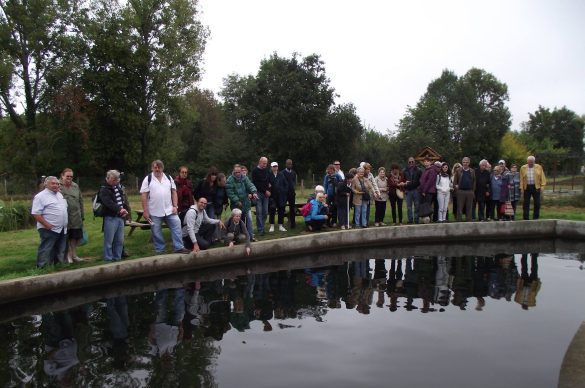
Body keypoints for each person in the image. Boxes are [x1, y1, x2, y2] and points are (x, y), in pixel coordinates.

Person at [140, 160, 190, 254]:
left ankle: (178, 247)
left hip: (169, 210)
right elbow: (143, 195)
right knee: (156, 231)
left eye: (159, 167)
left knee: (177, 225)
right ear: (152, 168)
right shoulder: (148, 179)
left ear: (162, 168)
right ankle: (160, 250)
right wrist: (145, 211)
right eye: (155, 167)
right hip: (154, 211)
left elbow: (174, 191)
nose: (157, 169)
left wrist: (175, 206)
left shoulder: (168, 177)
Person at [31, 176, 68, 267]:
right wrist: (46, 225)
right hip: (48, 228)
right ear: (46, 184)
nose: (56, 185)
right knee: (46, 248)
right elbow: (36, 213)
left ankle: (58, 265)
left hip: (62, 228)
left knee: (60, 248)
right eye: (53, 183)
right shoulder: (40, 196)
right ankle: (42, 266)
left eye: (57, 183)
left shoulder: (59, 194)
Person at [99, 170, 130, 261]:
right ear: (107, 178)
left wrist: (125, 211)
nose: (115, 181)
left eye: (117, 179)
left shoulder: (118, 187)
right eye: (113, 179)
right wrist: (120, 209)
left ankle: (117, 258)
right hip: (110, 218)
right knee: (109, 241)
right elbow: (109, 203)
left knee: (120, 240)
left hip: (120, 217)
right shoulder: (104, 189)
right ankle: (108, 259)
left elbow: (122, 201)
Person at [226, 164, 258, 240]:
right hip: (236, 206)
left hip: (246, 204)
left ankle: (250, 237)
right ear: (233, 171)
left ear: (241, 171)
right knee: (239, 221)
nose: (238, 174)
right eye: (236, 172)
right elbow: (230, 193)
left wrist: (254, 192)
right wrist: (237, 201)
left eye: (239, 172)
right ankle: (236, 236)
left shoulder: (245, 178)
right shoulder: (230, 180)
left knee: (249, 220)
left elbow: (250, 185)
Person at [59, 168, 84, 263]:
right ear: (62, 176)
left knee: (74, 237)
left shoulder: (75, 186)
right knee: (66, 237)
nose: (69, 178)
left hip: (76, 217)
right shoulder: (58, 186)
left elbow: (80, 200)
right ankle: (68, 256)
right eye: (67, 176)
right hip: (64, 217)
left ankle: (74, 255)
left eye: (71, 176)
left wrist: (82, 215)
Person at [520, 155, 546, 220]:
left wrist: (542, 187)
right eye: (529, 162)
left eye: (532, 162)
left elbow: (543, 178)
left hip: (536, 187)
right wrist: (521, 188)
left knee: (537, 203)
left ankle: (535, 218)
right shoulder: (523, 168)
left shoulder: (539, 167)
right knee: (526, 203)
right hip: (527, 187)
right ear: (527, 161)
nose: (530, 163)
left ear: (534, 161)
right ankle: (526, 218)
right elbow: (521, 179)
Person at [251, 157, 271, 236]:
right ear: (260, 162)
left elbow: (269, 182)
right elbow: (256, 184)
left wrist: (269, 190)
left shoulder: (267, 171)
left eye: (266, 163)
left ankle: (262, 227)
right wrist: (265, 190)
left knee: (265, 212)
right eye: (264, 163)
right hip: (258, 193)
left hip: (266, 194)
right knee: (259, 212)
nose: (265, 165)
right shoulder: (255, 171)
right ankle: (260, 229)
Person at [453, 157, 476, 222]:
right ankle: (459, 220)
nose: (465, 163)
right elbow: (455, 181)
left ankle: (468, 220)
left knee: (469, 207)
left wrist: (472, 191)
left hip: (469, 191)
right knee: (459, 207)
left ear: (469, 163)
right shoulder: (458, 170)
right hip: (461, 191)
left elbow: (474, 181)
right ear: (462, 162)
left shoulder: (472, 171)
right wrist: (456, 188)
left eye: (467, 162)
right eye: (464, 162)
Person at [268, 161, 289, 232]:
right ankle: (272, 226)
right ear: (271, 167)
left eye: (276, 166)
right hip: (272, 196)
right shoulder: (269, 175)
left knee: (281, 211)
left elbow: (286, 184)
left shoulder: (281, 175)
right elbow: (267, 184)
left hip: (281, 196)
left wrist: (284, 191)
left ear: (277, 167)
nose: (275, 167)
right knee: (272, 211)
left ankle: (280, 225)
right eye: (273, 166)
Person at [418, 158, 437, 223]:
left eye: (427, 161)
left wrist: (424, 191)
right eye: (424, 161)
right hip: (423, 191)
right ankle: (425, 219)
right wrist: (420, 189)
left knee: (427, 206)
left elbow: (429, 182)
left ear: (430, 162)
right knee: (424, 206)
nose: (426, 162)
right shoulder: (425, 170)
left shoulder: (432, 170)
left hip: (428, 191)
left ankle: (429, 220)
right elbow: (422, 181)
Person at [403, 157, 421, 224]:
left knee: (417, 206)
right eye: (409, 162)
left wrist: (419, 188)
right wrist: (404, 189)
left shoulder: (419, 170)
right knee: (409, 207)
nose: (411, 163)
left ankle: (416, 220)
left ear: (414, 162)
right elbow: (403, 180)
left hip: (416, 190)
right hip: (408, 191)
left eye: (412, 162)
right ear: (408, 163)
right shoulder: (405, 170)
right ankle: (410, 220)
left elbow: (421, 180)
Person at [282, 159, 297, 229]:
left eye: (290, 164)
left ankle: (293, 224)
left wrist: (293, 188)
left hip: (292, 193)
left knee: (292, 208)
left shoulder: (293, 173)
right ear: (286, 164)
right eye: (288, 164)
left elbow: (294, 182)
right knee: (282, 208)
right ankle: (281, 224)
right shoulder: (282, 173)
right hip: (284, 194)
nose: (289, 165)